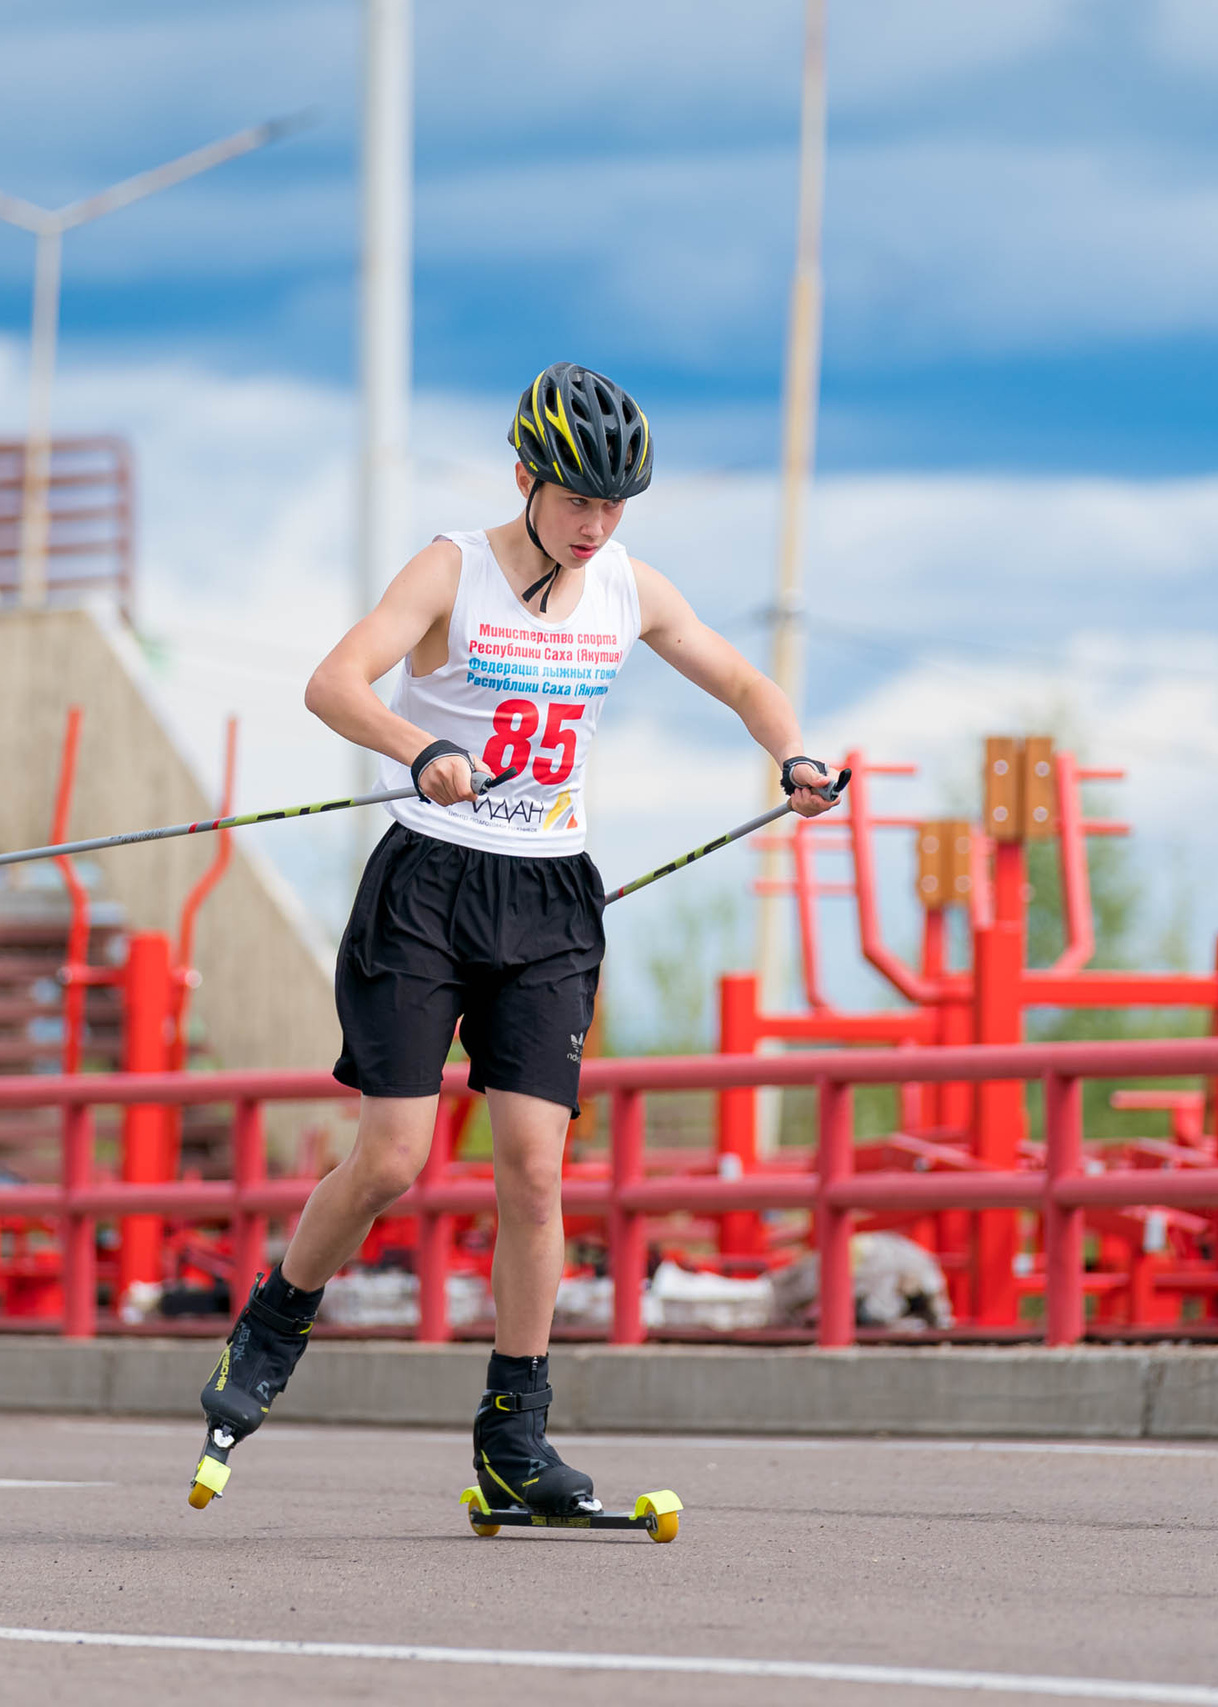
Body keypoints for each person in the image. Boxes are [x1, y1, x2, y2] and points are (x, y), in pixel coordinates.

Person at [193, 361, 840, 1514]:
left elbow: (744, 680)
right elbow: (333, 684)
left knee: (536, 1171)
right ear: (524, 478)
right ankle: (273, 1323)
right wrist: (418, 747)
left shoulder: (626, 588)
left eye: (614, 507)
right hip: (427, 888)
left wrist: (793, 753)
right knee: (393, 1160)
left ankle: (514, 1441)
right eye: (578, 500)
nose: (596, 527)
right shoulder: (453, 569)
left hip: (550, 898)